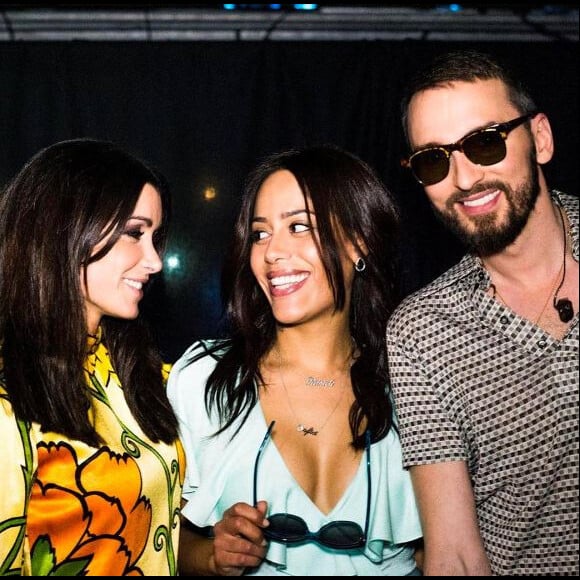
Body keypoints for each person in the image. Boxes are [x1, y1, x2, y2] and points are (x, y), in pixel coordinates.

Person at [167, 144, 423, 576]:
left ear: (358, 242)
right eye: (260, 233)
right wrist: (212, 556)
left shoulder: (414, 379)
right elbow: (159, 539)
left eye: (299, 227)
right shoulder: (205, 380)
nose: (271, 253)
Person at [387, 49, 579, 576]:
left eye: (484, 143)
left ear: (539, 138)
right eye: (433, 160)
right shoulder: (421, 333)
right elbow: (454, 555)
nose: (465, 178)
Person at [0, 138, 185, 576]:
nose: (155, 261)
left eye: (156, 238)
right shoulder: (8, 397)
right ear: (64, 228)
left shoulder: (143, 373)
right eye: (135, 233)